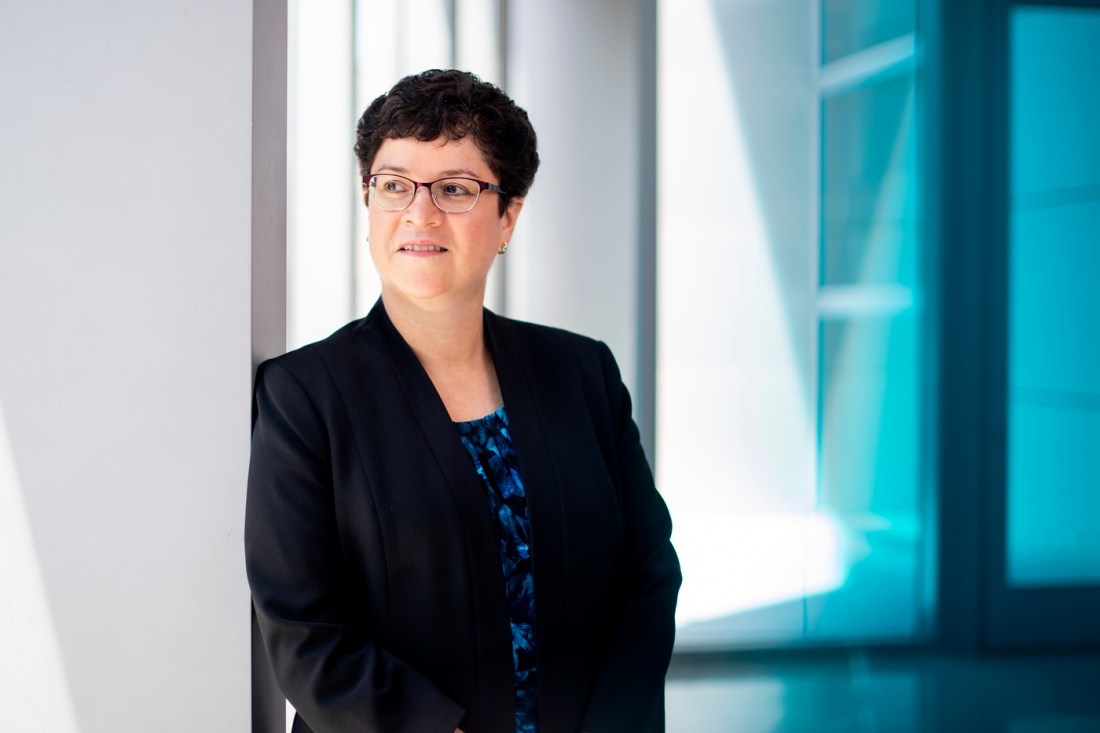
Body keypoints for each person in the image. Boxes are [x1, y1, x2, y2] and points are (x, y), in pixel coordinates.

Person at [245, 69, 681, 733]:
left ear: (507, 215)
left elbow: (646, 577)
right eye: (393, 186)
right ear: (369, 206)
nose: (419, 214)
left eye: (454, 189)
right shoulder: (304, 398)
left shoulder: (583, 373)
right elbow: (305, 633)